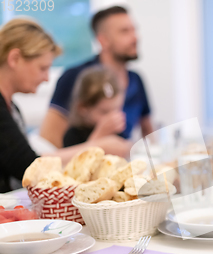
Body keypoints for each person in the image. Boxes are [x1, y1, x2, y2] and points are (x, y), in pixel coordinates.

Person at [0, 18, 129, 254]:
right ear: (15, 58)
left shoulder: (10, 105)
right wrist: (98, 144)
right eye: (43, 68)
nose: (46, 78)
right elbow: (29, 166)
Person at [39, 5, 153, 148]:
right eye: (124, 31)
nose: (135, 37)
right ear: (103, 40)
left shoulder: (136, 80)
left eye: (134, 29)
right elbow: (49, 142)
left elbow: (149, 134)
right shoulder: (75, 78)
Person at [64, 66, 126, 147]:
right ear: (83, 108)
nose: (112, 116)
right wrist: (99, 135)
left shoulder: (116, 132)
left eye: (117, 109)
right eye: (104, 112)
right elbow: (78, 157)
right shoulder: (73, 135)